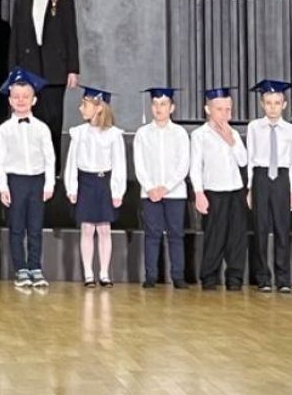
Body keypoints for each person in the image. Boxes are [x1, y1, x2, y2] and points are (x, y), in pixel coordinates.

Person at [7, 0, 80, 156]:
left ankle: (53, 167)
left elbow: (71, 37)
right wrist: (13, 72)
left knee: (53, 120)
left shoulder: (65, 2)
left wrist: (73, 69)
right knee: (30, 119)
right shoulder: (22, 2)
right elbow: (15, 39)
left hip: (55, 69)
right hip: (28, 69)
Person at [0, 67, 56, 288]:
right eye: (17, 97)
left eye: (25, 97)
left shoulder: (42, 128)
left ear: (34, 100)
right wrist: (3, 187)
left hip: (37, 181)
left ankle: (35, 267)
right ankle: (20, 269)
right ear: (10, 100)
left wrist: (49, 184)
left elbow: (50, 158)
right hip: (15, 181)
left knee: (35, 228)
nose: (21, 101)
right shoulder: (5, 129)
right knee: (17, 227)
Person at [64, 87, 128, 288]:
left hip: (104, 183)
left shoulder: (113, 135)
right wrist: (71, 187)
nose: (81, 108)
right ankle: (88, 274)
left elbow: (119, 164)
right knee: (87, 228)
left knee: (104, 229)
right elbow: (71, 163)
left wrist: (117, 190)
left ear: (99, 108)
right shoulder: (79, 133)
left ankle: (104, 273)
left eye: (85, 104)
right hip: (86, 183)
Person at [190, 86, 249, 291]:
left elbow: (243, 161)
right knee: (215, 235)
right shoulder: (200, 135)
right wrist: (199, 193)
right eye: (220, 109)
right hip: (214, 191)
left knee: (237, 236)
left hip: (235, 191)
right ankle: (209, 277)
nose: (224, 114)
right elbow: (195, 166)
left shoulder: (234, 133)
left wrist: (231, 141)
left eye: (228, 109)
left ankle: (235, 278)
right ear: (208, 109)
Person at [134, 86, 191, 289]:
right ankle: (151, 275)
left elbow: (183, 165)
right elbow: (139, 164)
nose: (159, 108)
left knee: (176, 234)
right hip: (149, 193)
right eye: (156, 104)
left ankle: (178, 276)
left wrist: (165, 188)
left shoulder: (180, 133)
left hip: (175, 192)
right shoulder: (142, 133)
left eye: (163, 104)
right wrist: (150, 188)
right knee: (152, 234)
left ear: (171, 107)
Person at [245, 78, 292, 294]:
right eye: (268, 103)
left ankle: (283, 278)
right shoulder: (254, 127)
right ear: (262, 104)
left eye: (277, 103)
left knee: (282, 229)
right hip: (261, 176)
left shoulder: (291, 130)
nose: (273, 107)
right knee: (260, 228)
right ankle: (263, 277)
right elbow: (250, 158)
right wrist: (250, 187)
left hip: (282, 178)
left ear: (284, 104)